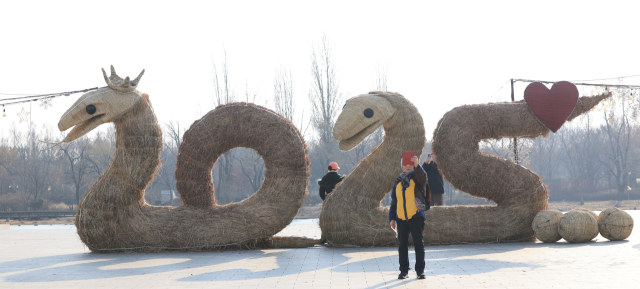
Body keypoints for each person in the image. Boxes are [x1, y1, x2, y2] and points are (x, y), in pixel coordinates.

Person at [389, 155, 430, 280]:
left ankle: (420, 271)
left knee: (418, 244)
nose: (407, 166)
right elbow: (394, 202)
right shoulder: (397, 182)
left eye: (410, 164)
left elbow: (424, 177)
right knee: (402, 245)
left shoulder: (418, 179)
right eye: (405, 164)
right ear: (402, 165)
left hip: (416, 216)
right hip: (401, 218)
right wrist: (392, 218)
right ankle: (403, 271)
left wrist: (417, 165)